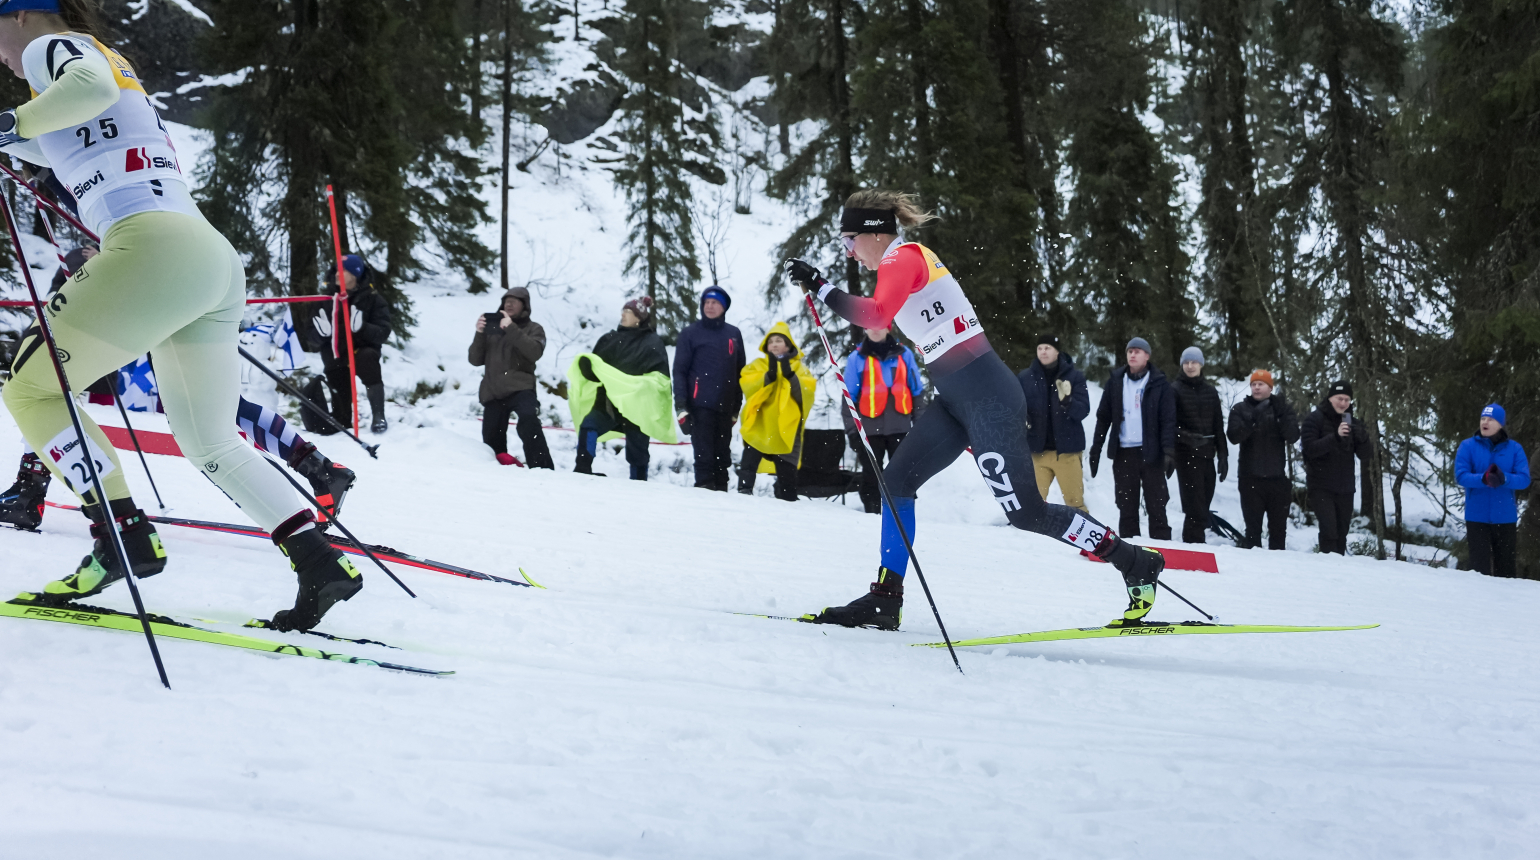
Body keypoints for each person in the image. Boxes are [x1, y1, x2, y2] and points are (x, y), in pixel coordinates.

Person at [0, 2, 360, 630]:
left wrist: (9, 121)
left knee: (30, 389)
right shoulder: (94, 71)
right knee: (211, 439)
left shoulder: (51, 49)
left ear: (24, 14)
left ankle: (123, 537)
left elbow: (88, 88)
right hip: (207, 259)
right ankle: (318, 560)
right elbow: (75, 139)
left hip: (153, 248)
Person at [784, 189, 1165, 631]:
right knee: (897, 481)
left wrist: (819, 284)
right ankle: (886, 598)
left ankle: (1133, 561)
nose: (848, 251)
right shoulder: (896, 264)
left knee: (1027, 513)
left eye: (849, 240)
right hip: (957, 401)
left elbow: (876, 317)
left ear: (873, 233)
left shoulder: (901, 258)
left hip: (988, 399)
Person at [567, 296, 674, 480]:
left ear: (639, 318)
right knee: (588, 426)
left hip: (637, 407)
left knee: (638, 445)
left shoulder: (652, 343)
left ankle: (639, 481)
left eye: (628, 312)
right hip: (607, 404)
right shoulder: (609, 339)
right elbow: (597, 371)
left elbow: (661, 379)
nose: (623, 315)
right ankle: (582, 469)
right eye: (623, 311)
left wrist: (639, 386)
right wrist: (587, 368)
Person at [1089, 338, 1176, 540]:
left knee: (1157, 503)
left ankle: (1162, 546)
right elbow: (1103, 417)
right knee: (1126, 504)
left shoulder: (1160, 383)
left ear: (1147, 356)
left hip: (1151, 452)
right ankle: (1128, 547)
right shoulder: (1115, 382)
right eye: (1130, 351)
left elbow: (1168, 420)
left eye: (1137, 351)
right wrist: (1096, 448)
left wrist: (1169, 451)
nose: (1133, 355)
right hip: (1123, 453)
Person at [468, 286, 553, 469]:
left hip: (521, 388)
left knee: (529, 420)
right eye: (506, 300)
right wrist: (480, 333)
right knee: (492, 440)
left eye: (515, 301)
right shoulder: (492, 329)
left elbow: (534, 352)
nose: (509, 303)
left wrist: (511, 328)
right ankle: (501, 470)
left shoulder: (534, 328)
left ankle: (543, 468)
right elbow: (474, 360)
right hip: (493, 391)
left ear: (525, 306)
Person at [673, 286, 746, 491]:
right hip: (699, 406)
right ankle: (704, 506)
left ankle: (721, 507)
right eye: (706, 302)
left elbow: (741, 373)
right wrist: (681, 407)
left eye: (714, 302)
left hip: (725, 407)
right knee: (704, 459)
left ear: (723, 307)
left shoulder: (733, 333)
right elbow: (679, 371)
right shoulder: (690, 333)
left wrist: (735, 409)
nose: (710, 306)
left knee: (722, 460)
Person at [844, 325, 924, 513]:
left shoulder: (904, 355)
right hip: (869, 429)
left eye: (880, 325)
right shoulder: (856, 358)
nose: (875, 329)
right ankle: (872, 511)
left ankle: (903, 510)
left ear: (888, 328)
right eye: (870, 325)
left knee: (903, 472)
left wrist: (920, 427)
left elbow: (916, 392)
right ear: (865, 329)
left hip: (900, 427)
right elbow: (848, 398)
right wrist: (852, 431)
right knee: (872, 474)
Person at [313, 254, 393, 434]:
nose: (337, 274)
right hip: (336, 355)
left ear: (355, 275)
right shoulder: (325, 299)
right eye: (337, 270)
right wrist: (322, 335)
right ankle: (342, 420)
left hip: (362, 352)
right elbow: (311, 336)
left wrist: (362, 328)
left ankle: (378, 415)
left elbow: (383, 332)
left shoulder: (373, 299)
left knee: (367, 358)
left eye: (343, 271)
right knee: (336, 373)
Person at [738, 322, 816, 501]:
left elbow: (805, 395)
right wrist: (769, 376)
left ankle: (788, 500)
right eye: (770, 341)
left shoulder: (800, 369)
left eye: (779, 340)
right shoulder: (757, 365)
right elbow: (748, 385)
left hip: (787, 428)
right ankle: (743, 495)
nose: (773, 344)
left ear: (788, 345)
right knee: (749, 462)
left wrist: (789, 375)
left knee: (787, 474)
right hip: (760, 423)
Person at [1226, 369, 1300, 550]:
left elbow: (1293, 436)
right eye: (1253, 384)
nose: (1257, 388)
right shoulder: (1240, 409)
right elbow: (1234, 436)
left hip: (1277, 479)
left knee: (1278, 532)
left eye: (1261, 384)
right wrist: (1252, 419)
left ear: (1270, 387)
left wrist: (1282, 417)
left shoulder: (1282, 408)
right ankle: (1255, 572)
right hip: (1250, 478)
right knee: (1253, 532)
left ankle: (1278, 570)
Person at [1018, 334, 1090, 515]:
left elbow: (1083, 411)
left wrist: (1067, 401)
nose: (1043, 352)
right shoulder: (1025, 377)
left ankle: (1085, 539)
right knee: (1030, 504)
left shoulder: (1074, 377)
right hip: (1037, 452)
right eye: (1040, 348)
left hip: (1067, 452)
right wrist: (1023, 418)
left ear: (1057, 351)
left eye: (1048, 348)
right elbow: (1017, 407)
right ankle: (1025, 541)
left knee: (1075, 504)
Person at [1455, 404, 1530, 577]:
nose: (1485, 422)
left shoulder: (1515, 449)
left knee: (1506, 571)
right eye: (1483, 418)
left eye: (1490, 419)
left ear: (1500, 424)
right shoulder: (1467, 446)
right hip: (1477, 517)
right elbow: (1461, 476)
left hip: (1505, 518)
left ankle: (1504, 603)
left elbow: (1524, 479)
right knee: (1478, 570)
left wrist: (1505, 479)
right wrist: (1483, 479)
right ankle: (1479, 602)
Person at [1300, 381, 1372, 554]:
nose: (1343, 403)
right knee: (1329, 532)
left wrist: (1362, 439)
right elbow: (1309, 450)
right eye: (1339, 398)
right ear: (1330, 398)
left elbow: (1365, 456)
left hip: (1345, 488)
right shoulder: (1314, 419)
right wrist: (1335, 437)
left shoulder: (1352, 422)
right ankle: (1326, 569)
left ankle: (1338, 574)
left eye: (1347, 400)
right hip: (1321, 486)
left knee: (1341, 535)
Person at [1172, 347, 1228, 543]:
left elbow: (1218, 426)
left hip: (1207, 455)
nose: (1190, 366)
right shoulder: (1175, 389)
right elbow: (1170, 425)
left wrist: (1223, 456)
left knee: (1203, 503)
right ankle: (1194, 544)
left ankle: (1196, 544)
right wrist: (1187, 437)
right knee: (1194, 507)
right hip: (1186, 455)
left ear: (1201, 364)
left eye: (1194, 362)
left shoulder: (1210, 391)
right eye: (1186, 362)